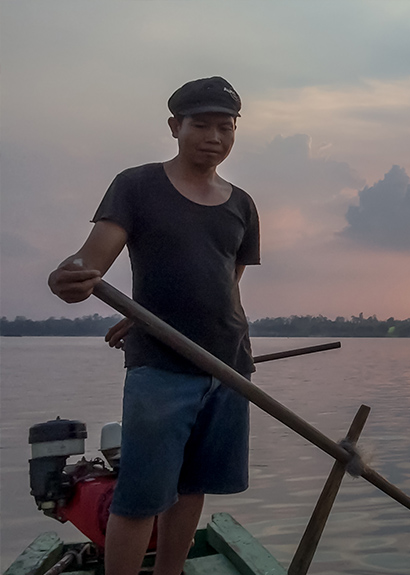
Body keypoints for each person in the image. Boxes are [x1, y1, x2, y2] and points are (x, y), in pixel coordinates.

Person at [47, 77, 260, 575]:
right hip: (160, 369)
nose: (213, 136)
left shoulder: (241, 204)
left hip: (229, 367)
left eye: (224, 127)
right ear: (174, 127)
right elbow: (90, 258)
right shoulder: (138, 185)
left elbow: (226, 285)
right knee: (141, 494)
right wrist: (71, 275)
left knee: (192, 488)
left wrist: (147, 315)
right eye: (200, 124)